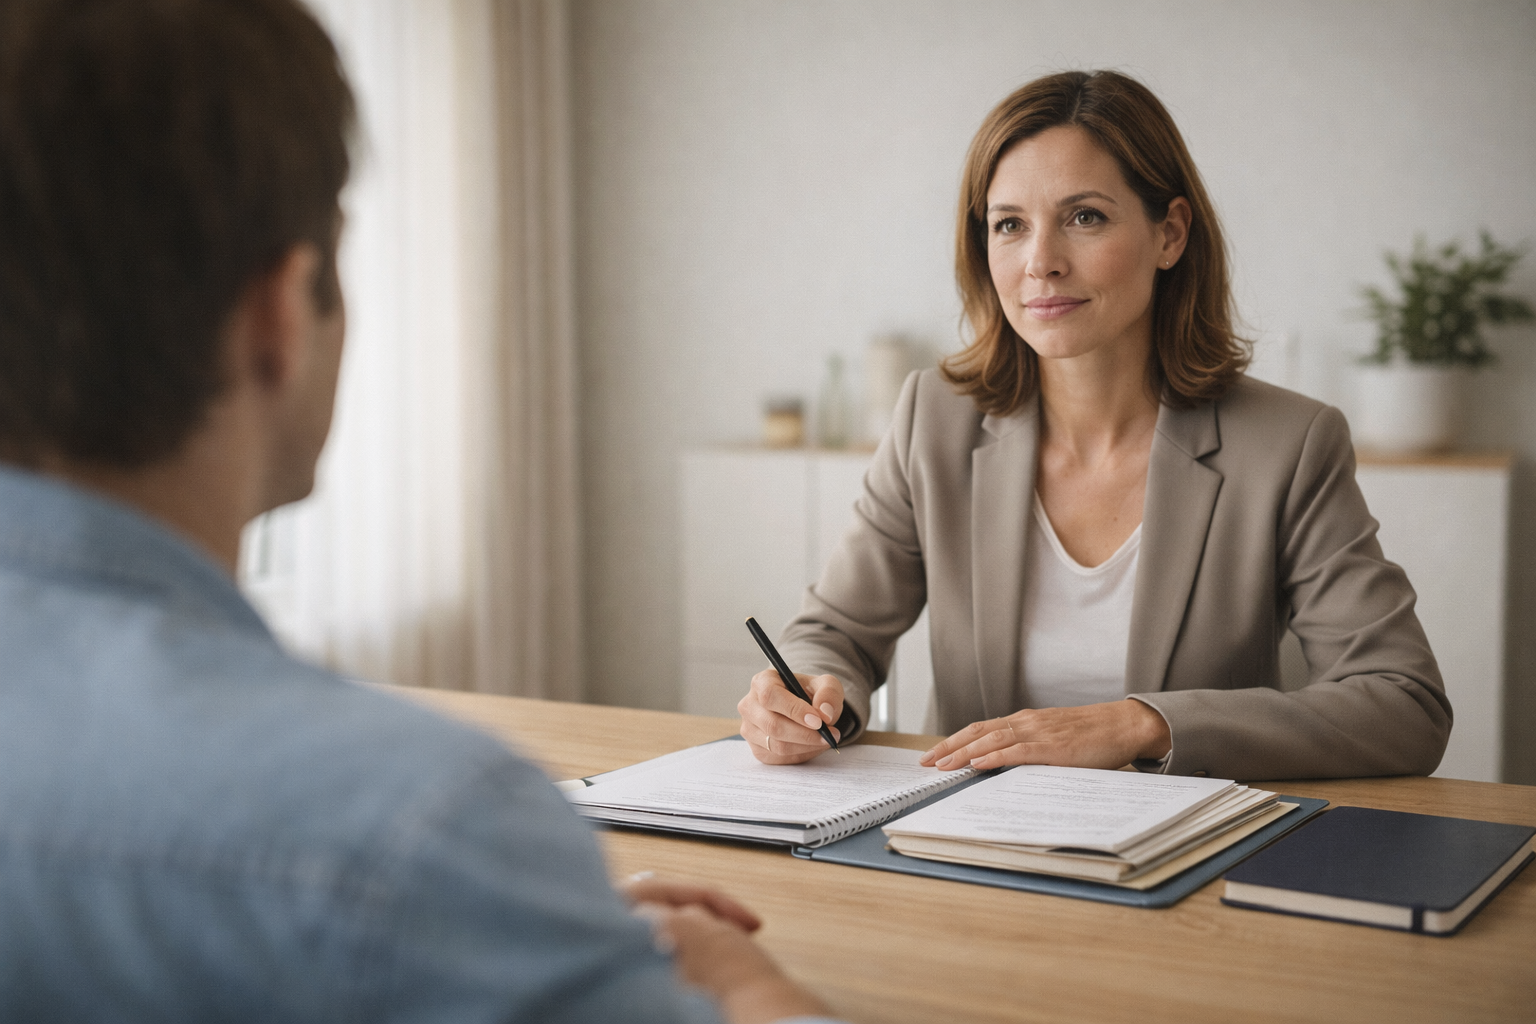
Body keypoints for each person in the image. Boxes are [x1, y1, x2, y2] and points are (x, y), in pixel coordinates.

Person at [0, 2, 838, 1021]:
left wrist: (513, 930)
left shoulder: (422, 867)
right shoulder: (416, 831)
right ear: (281, 312)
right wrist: (736, 976)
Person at [736, 70, 1451, 782]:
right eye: (1009, 225)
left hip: (1181, 861)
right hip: (962, 851)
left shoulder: (1288, 445)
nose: (1041, 263)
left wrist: (1141, 723)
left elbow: (1404, 704)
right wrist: (807, 691)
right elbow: (837, 633)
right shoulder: (936, 419)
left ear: (1169, 234)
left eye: (1085, 217)